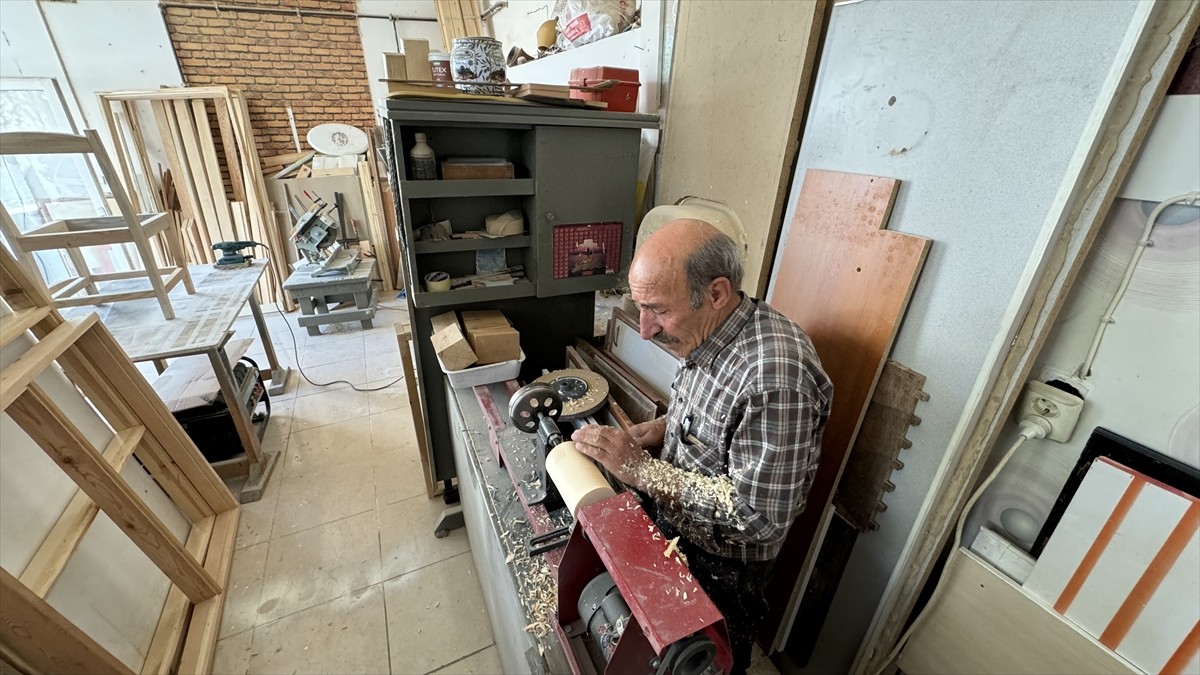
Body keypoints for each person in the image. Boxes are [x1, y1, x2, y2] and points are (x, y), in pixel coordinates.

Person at [571, 219, 833, 675]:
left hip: (724, 566)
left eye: (657, 311)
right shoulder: (712, 331)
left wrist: (642, 471)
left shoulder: (776, 378)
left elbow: (760, 517)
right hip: (678, 532)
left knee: (709, 662)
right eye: (639, 307)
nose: (646, 329)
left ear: (715, 293)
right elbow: (714, 415)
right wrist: (660, 428)